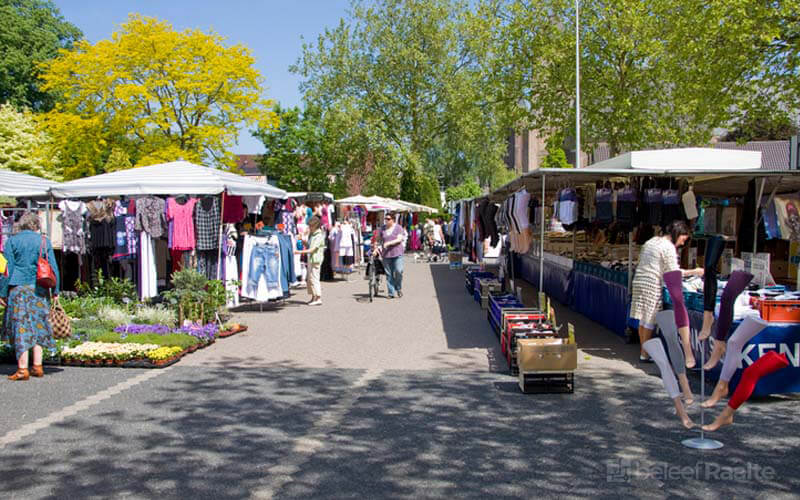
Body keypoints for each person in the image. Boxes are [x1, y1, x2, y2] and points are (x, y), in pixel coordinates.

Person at [630, 221, 703, 365]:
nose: (682, 244)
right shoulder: (668, 248)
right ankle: (645, 354)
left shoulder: (652, 241)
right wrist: (695, 272)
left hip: (639, 280)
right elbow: (673, 273)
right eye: (683, 239)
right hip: (652, 283)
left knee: (643, 318)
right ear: (678, 234)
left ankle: (643, 351)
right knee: (650, 318)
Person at [1, 212, 60, 381]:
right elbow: (53, 267)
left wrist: (2, 292)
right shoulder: (43, 241)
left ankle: (22, 369)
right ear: (36, 224)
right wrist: (56, 291)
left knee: (21, 328)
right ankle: (38, 366)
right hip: (40, 289)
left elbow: (7, 270)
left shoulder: (12, 241)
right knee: (39, 326)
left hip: (18, 289)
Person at [294, 215, 325, 306]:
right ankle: (313, 297)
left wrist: (299, 252)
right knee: (310, 279)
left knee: (314, 278)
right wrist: (303, 241)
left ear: (315, 226)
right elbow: (309, 245)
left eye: (310, 226)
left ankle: (318, 297)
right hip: (311, 259)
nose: (309, 228)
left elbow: (312, 249)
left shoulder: (319, 236)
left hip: (315, 260)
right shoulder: (312, 235)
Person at [380, 213, 407, 299]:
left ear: (393, 220)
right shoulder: (382, 228)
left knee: (399, 271)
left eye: (388, 219)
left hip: (397, 253)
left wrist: (389, 243)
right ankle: (391, 293)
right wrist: (377, 246)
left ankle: (398, 288)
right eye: (386, 219)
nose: (386, 220)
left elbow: (399, 239)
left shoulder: (398, 228)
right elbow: (378, 239)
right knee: (389, 274)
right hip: (386, 254)